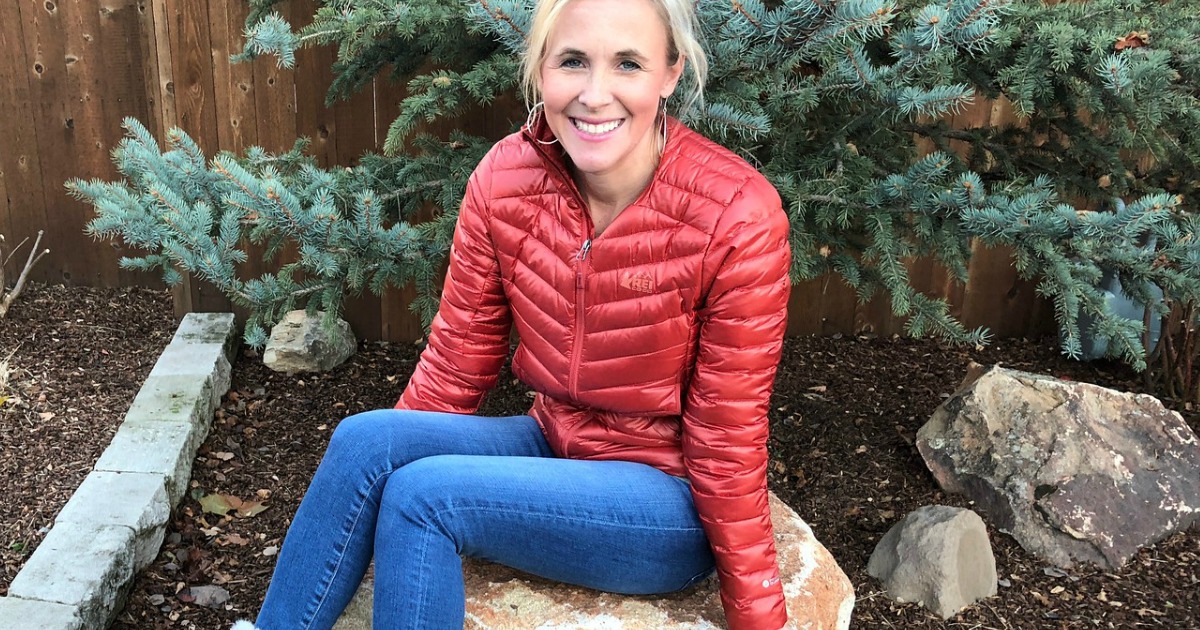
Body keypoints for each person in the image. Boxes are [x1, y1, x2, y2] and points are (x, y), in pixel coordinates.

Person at [233, 0, 791, 627]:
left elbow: (727, 438)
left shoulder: (736, 214)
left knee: (425, 499)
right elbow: (453, 365)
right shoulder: (506, 177)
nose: (595, 94)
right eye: (572, 61)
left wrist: (759, 616)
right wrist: (389, 479)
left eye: (628, 63)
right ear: (540, 70)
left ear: (669, 73)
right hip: (551, 441)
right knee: (366, 443)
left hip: (664, 501)